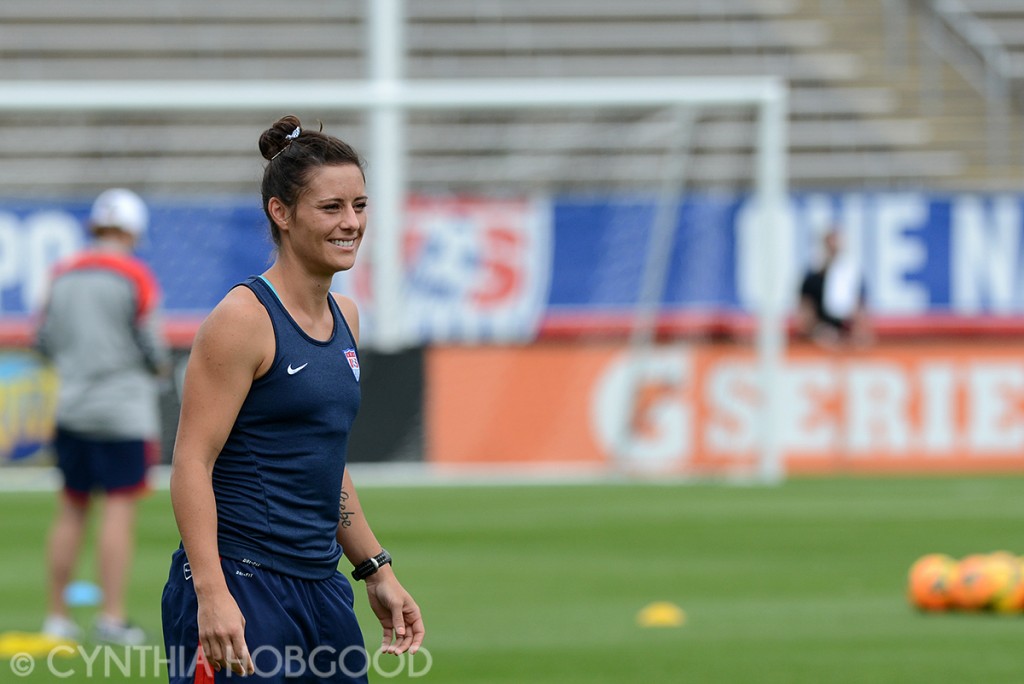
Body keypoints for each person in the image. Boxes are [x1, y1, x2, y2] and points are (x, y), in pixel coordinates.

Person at [161, 115, 424, 682]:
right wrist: (212, 592)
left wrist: (375, 568)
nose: (351, 222)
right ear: (281, 213)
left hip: (322, 590)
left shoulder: (346, 316)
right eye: (331, 208)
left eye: (360, 205)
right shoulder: (242, 320)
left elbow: (324, 463)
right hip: (242, 586)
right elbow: (191, 462)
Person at [37, 187, 170, 645]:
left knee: (71, 509)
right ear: (132, 231)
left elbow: (44, 339)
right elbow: (153, 347)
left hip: (72, 406)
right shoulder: (136, 275)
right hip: (123, 410)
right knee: (118, 509)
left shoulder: (62, 274)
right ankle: (112, 617)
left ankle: (57, 617)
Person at [796, 226, 872, 348]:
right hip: (821, 331)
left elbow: (860, 308)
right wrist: (817, 329)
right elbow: (805, 310)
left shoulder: (852, 275)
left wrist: (855, 332)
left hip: (847, 330)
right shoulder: (813, 276)